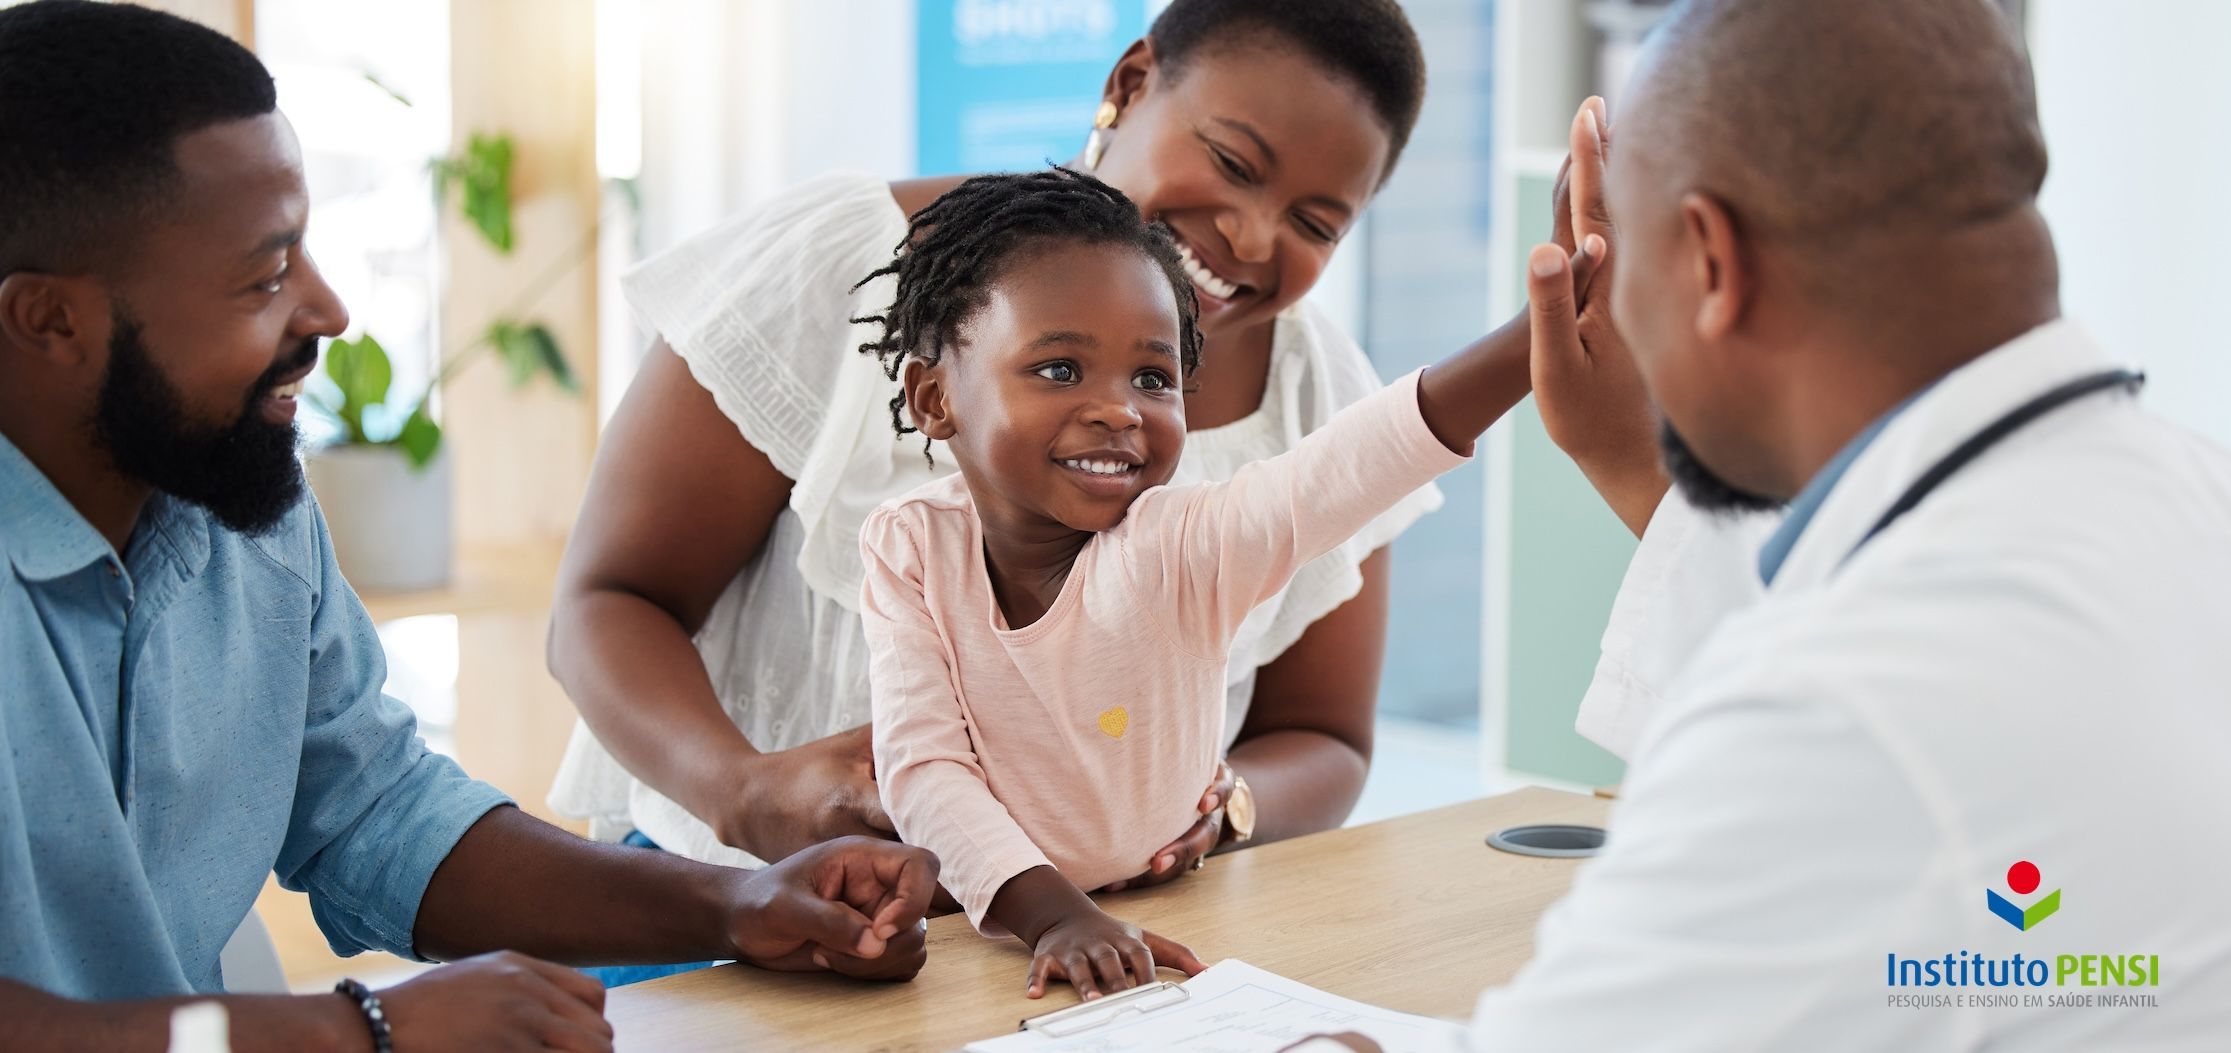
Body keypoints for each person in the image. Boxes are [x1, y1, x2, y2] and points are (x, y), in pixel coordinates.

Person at [0, 4, 936, 1050]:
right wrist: (355, 1033)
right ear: (49, 320)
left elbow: (375, 813)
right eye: (264, 278)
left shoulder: (237, 506)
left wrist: (734, 906)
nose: (327, 310)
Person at [1301, 0, 2231, 1049]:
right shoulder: (2190, 505)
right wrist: (1642, 470)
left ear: (1707, 261)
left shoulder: (1843, 715)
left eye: (1636, 264)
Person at [545, 0, 1521, 899]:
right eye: (1231, 162)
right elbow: (608, 601)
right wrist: (745, 790)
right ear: (1128, 84)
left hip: (1091, 948)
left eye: (1314, 223)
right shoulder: (846, 265)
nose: (1250, 236)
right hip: (722, 907)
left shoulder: (1319, 398)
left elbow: (1321, 738)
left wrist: (1218, 811)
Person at [852, 169, 1576, 1000]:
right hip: (989, 932)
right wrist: (1052, 915)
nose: (1119, 410)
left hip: (1185, 920)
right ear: (935, 397)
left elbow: (1348, 465)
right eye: (1059, 370)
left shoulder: (1184, 543)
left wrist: (1536, 327)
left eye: (1152, 378)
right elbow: (921, 766)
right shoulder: (907, 544)